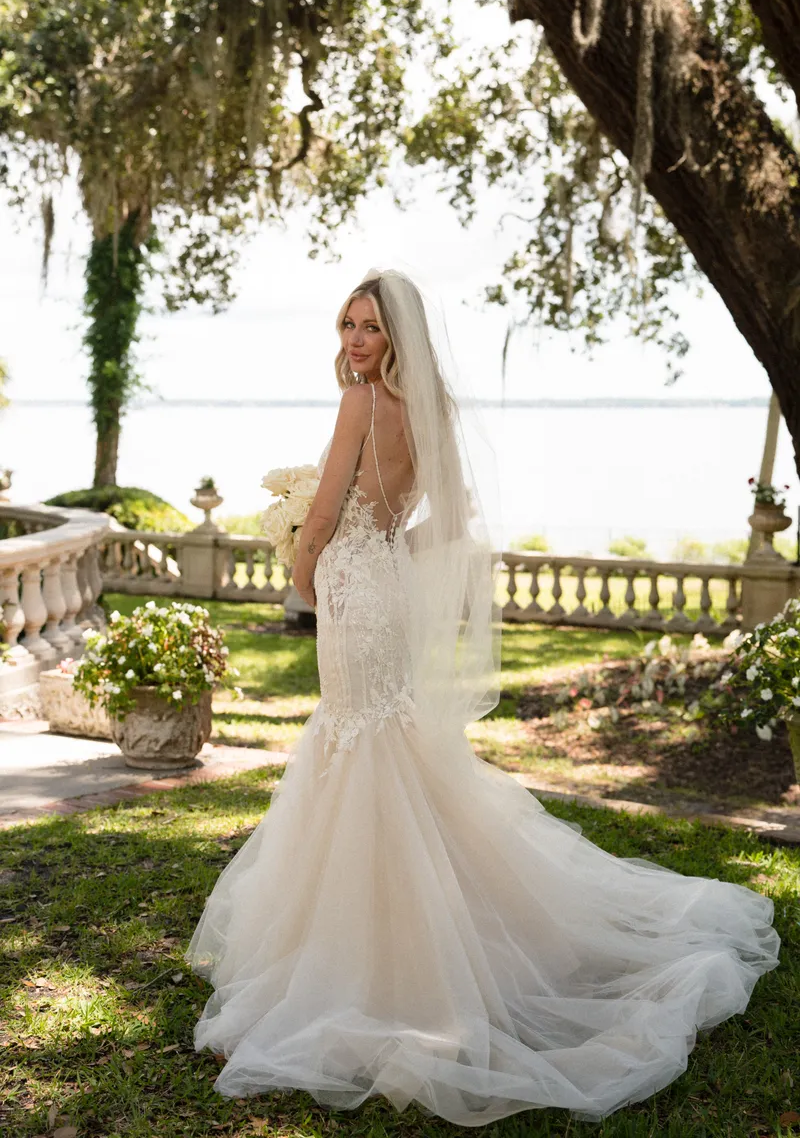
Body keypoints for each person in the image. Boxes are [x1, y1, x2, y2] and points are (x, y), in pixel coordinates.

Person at [185, 268, 780, 1126]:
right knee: (376, 742)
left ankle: (365, 962)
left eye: (369, 328)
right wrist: (382, 542)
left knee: (357, 741)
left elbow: (317, 518)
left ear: (397, 337)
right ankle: (398, 930)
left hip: (354, 591)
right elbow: (453, 527)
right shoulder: (440, 413)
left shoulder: (358, 404)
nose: (355, 342)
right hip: (384, 577)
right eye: (347, 326)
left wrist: (313, 565)